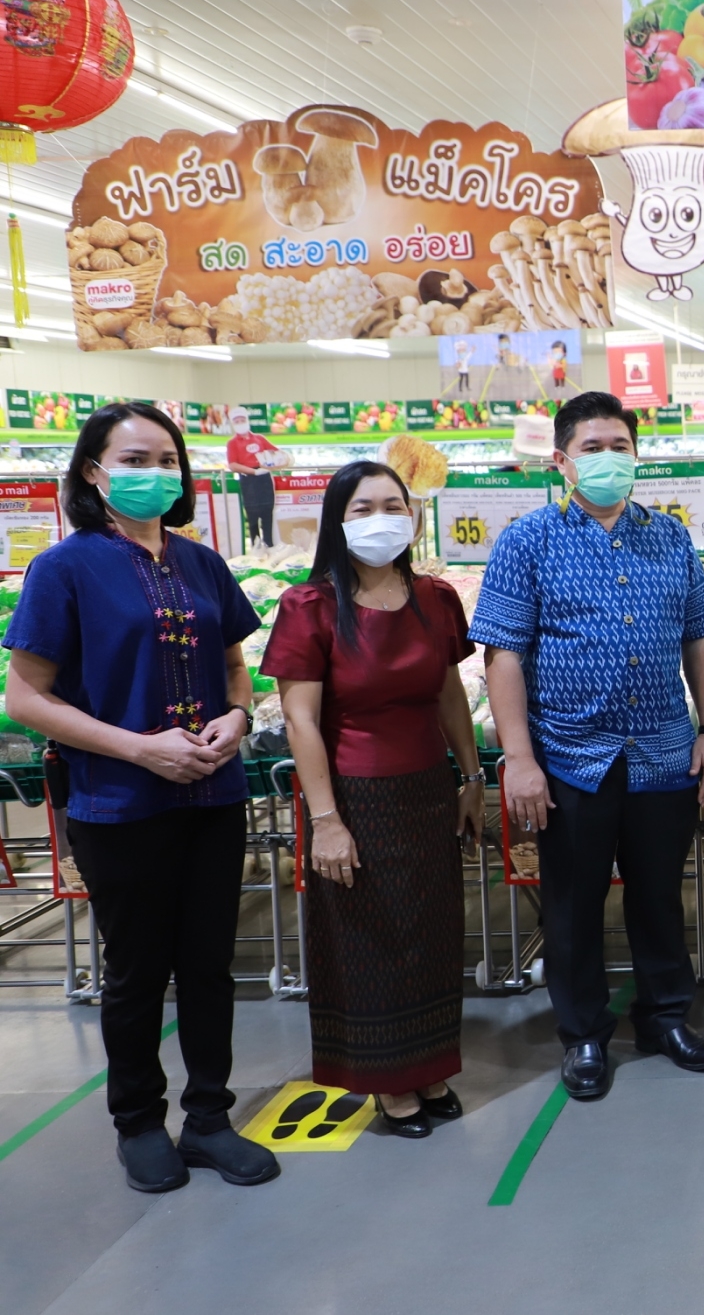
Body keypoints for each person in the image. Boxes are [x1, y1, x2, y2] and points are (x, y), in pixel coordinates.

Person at [2, 401, 280, 1193]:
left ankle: (210, 1117)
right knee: (135, 969)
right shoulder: (64, 568)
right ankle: (138, 1122)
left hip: (213, 795)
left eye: (166, 459)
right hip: (119, 801)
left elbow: (236, 667)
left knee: (209, 965)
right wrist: (139, 747)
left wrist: (235, 718)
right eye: (133, 459)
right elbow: (26, 696)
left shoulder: (202, 563)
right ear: (93, 471)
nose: (154, 473)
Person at [471, 391, 704, 1101]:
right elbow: (503, 655)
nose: (609, 458)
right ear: (562, 461)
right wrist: (519, 759)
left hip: (664, 751)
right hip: (570, 755)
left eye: (620, 446)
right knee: (573, 901)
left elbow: (699, 638)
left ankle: (665, 1017)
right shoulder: (527, 541)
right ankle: (583, 1031)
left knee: (659, 894)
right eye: (592, 448)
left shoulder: (669, 537)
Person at [264, 461, 484, 1136]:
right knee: (370, 938)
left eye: (394, 505)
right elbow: (300, 720)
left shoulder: (436, 598)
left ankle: (430, 1063)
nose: (381, 518)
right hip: (352, 797)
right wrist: (326, 820)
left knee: (431, 932)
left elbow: (449, 692)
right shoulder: (309, 606)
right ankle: (388, 1080)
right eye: (363, 508)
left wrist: (471, 777)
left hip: (427, 790)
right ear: (336, 520)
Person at [223, 407, 277, 547]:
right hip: (248, 479)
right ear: (233, 424)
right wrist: (253, 471)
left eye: (242, 420)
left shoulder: (259, 439)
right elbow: (232, 464)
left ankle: (269, 544)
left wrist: (271, 463)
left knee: (267, 511)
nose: (240, 423)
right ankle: (256, 545)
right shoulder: (232, 443)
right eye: (237, 421)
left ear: (247, 420)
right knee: (252, 514)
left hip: (264, 478)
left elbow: (275, 452)